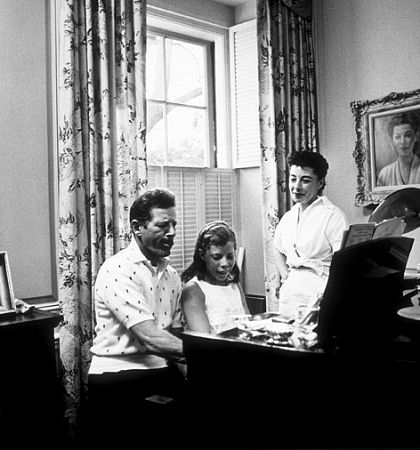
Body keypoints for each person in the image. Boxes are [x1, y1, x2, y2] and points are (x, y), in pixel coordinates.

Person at [87, 188, 186, 448]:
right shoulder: (117, 270)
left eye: (174, 224)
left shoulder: (173, 275)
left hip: (161, 371)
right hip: (117, 377)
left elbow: (172, 337)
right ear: (137, 227)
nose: (172, 232)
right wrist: (213, 354)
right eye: (163, 225)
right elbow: (151, 337)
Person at [273, 151, 348, 320]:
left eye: (305, 180)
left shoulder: (333, 216)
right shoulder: (289, 217)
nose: (297, 186)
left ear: (320, 182)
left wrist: (328, 295)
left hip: (319, 294)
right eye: (293, 179)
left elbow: (342, 262)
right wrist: (286, 275)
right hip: (290, 295)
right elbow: (277, 247)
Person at [180, 221, 249, 334]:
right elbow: (204, 341)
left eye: (230, 256)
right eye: (217, 257)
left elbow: (248, 327)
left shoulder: (234, 285)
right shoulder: (194, 290)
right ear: (202, 255)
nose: (225, 263)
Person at [377, 112, 420, 186]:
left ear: (415, 137)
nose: (402, 142)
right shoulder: (385, 174)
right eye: (397, 137)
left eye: (408, 135)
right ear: (392, 140)